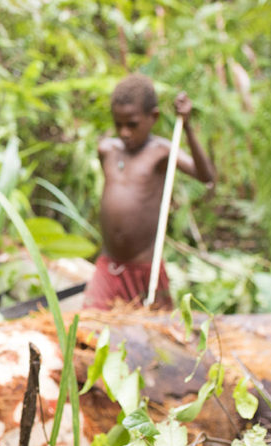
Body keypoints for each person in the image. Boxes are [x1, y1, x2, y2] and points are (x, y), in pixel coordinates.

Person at [84, 73, 216, 311]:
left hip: (146, 270)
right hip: (109, 267)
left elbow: (205, 176)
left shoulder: (161, 151)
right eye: (118, 124)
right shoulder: (107, 150)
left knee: (157, 339)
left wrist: (187, 128)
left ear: (153, 117)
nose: (124, 132)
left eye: (132, 124)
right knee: (87, 331)